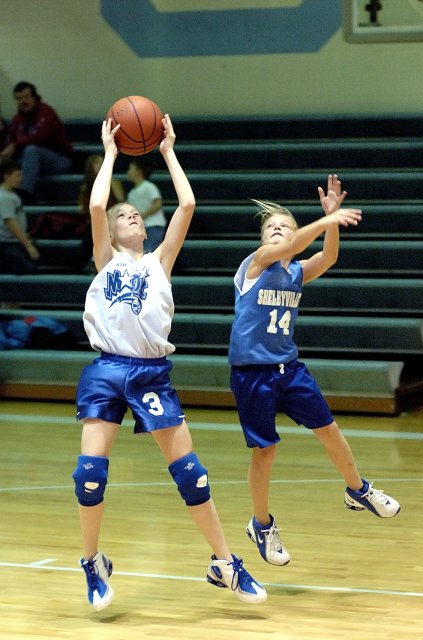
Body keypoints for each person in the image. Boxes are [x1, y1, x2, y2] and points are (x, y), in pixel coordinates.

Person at [72, 116, 267, 611]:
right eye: (122, 216)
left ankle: (225, 563)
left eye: (135, 213)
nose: (131, 216)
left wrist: (167, 150)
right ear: (110, 232)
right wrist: (110, 152)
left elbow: (188, 204)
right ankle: (92, 563)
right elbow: (97, 204)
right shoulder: (106, 259)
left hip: (151, 373)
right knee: (89, 474)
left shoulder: (161, 261)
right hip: (107, 370)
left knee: (191, 475)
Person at [228, 175, 400, 568]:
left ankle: (357, 489)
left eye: (284, 225)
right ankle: (261, 525)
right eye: (270, 226)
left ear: (294, 233)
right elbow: (290, 247)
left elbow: (329, 257)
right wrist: (326, 220)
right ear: (262, 238)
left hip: (289, 368)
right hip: (252, 373)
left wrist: (331, 222)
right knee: (265, 452)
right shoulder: (255, 264)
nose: (276, 229)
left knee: (329, 429)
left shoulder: (296, 272)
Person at [0, 82, 74, 202]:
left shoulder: (46, 112)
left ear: (34, 98)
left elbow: (40, 136)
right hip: (30, 162)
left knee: (31, 150)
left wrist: (15, 145)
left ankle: (23, 195)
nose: (23, 101)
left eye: (26, 97)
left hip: (59, 159)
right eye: (19, 98)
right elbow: (9, 145)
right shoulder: (17, 120)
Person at [77, 153, 125, 273]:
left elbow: (120, 200)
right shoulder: (86, 186)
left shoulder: (113, 181)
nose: (101, 164)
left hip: (112, 220)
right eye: (97, 162)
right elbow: (82, 207)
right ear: (91, 166)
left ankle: (95, 262)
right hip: (94, 221)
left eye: (102, 162)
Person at [0, 160, 39, 274]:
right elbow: (11, 223)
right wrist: (28, 245)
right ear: (6, 176)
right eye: (17, 175)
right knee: (28, 268)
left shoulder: (9, 195)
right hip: (7, 243)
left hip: (11, 241)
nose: (20, 179)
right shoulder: (6, 198)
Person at [127, 157, 167, 252]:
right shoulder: (131, 193)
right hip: (142, 228)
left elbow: (157, 204)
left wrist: (142, 215)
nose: (128, 172)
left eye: (130, 169)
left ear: (139, 172)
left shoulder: (149, 187)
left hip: (154, 225)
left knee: (149, 252)